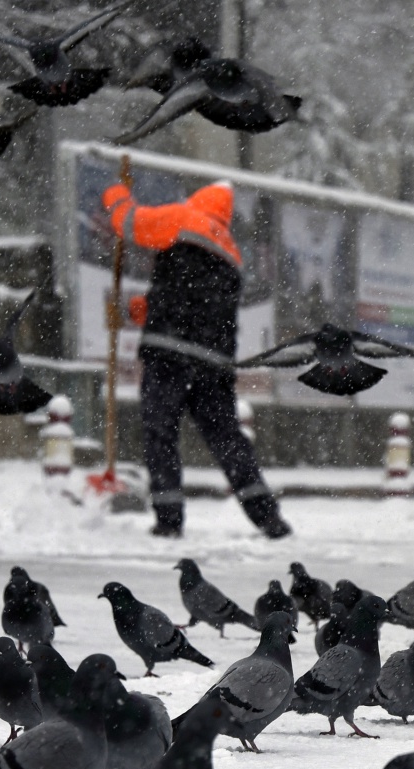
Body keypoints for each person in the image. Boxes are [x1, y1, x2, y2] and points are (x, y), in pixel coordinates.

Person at [102, 179, 289, 539]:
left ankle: (169, 520)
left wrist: (116, 194)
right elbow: (198, 302)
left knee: (161, 435)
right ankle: (268, 517)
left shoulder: (181, 218)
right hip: (213, 362)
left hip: (169, 354)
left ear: (198, 201)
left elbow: (127, 223)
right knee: (228, 439)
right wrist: (148, 310)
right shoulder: (231, 251)